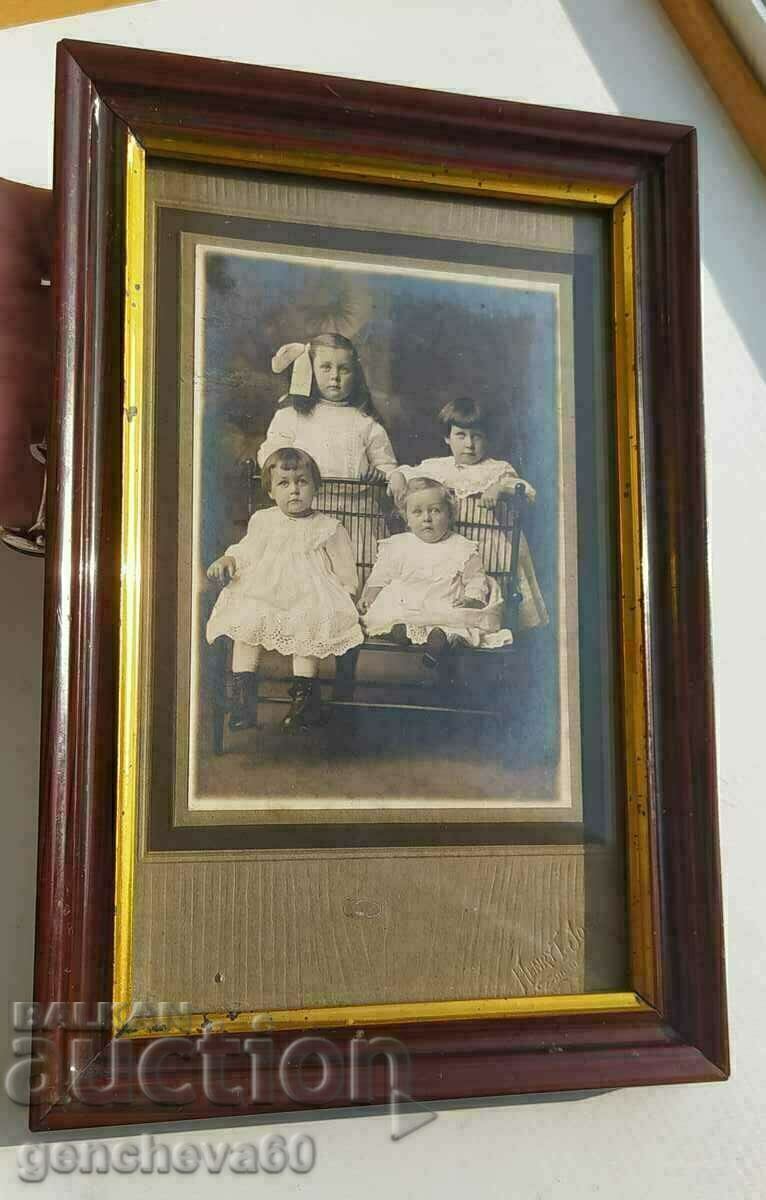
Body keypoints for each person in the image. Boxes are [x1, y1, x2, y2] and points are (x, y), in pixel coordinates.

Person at [206, 447, 363, 732]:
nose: (294, 490)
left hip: (312, 592)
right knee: (247, 622)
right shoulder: (263, 520)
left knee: (308, 624)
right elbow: (247, 551)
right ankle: (244, 700)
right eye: (284, 483)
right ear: (270, 491)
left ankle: (303, 703)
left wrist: (348, 594)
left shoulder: (328, 527)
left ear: (315, 487)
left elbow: (345, 569)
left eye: (302, 482)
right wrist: (229, 558)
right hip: (267, 590)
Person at [387, 397, 548, 630]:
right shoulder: (437, 466)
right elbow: (407, 472)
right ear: (447, 437)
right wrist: (397, 476)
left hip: (488, 546)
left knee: (491, 598)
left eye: (477, 436)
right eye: (461, 435)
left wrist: (499, 487)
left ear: (487, 438)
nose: (469, 444)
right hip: (452, 547)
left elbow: (526, 491)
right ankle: (450, 636)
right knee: (453, 596)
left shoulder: (497, 469)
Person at [359, 477, 513, 669]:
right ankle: (398, 631)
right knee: (389, 603)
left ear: (449, 515)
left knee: (454, 621)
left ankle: (438, 641)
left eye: (435, 510)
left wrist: (471, 598)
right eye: (417, 512)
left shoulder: (461, 546)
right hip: (407, 602)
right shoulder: (398, 544)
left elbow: (476, 579)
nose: (427, 518)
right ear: (406, 517)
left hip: (442, 600)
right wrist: (369, 597)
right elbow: (381, 575)